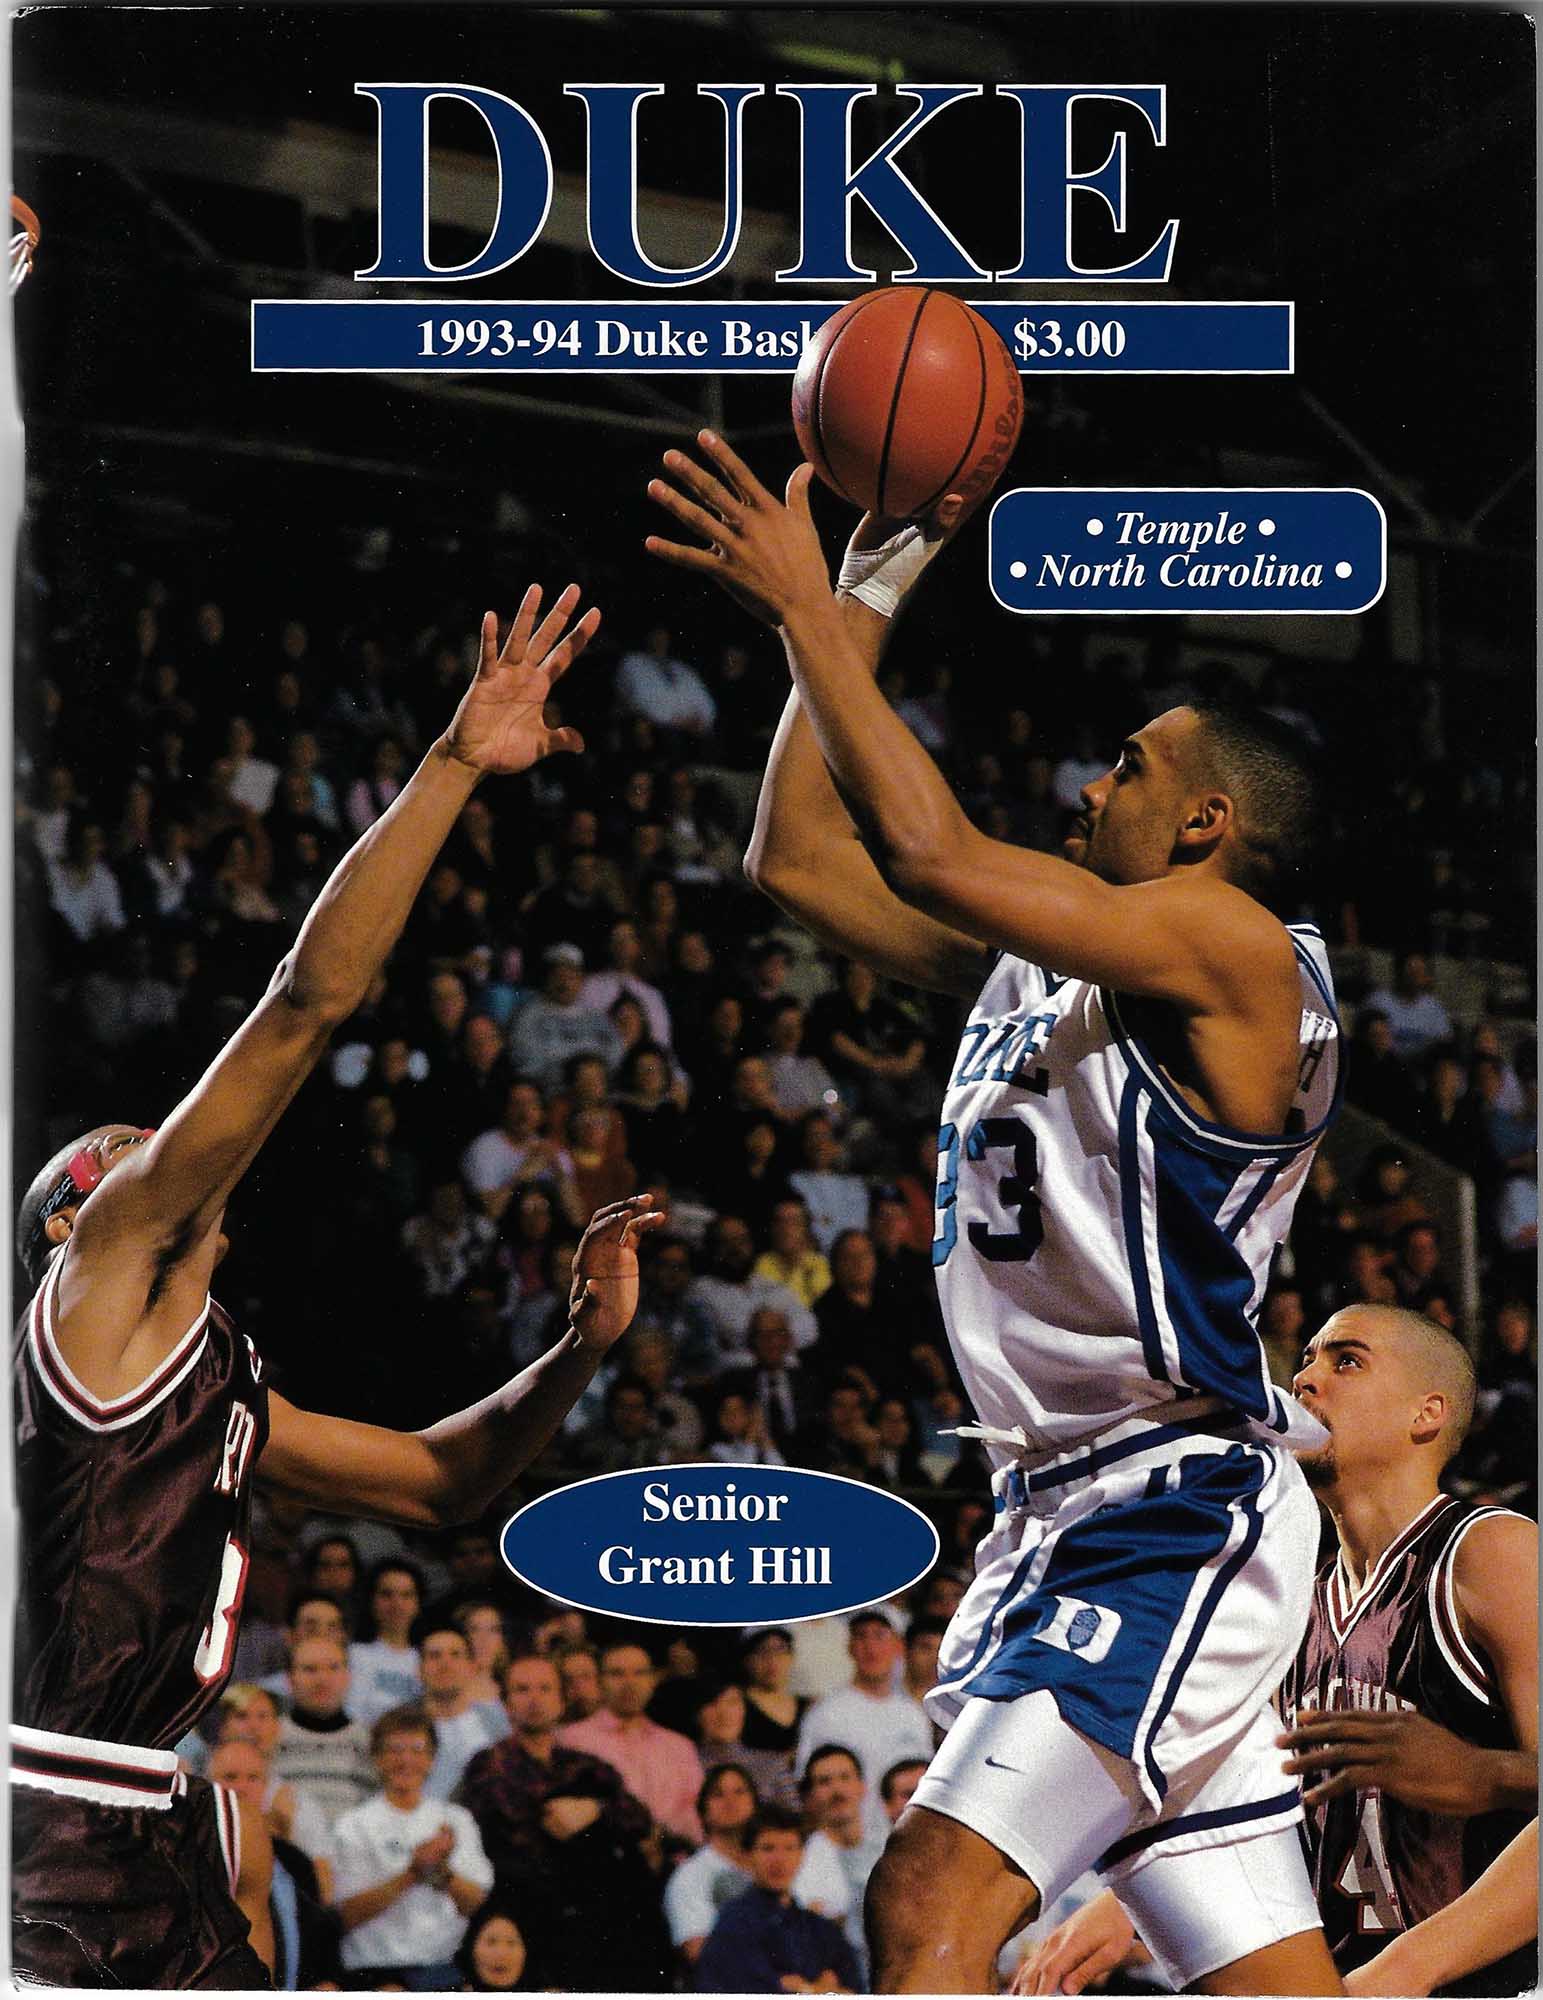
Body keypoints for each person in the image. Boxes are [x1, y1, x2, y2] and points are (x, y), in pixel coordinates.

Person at [649, 436, 1343, 1994]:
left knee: (924, 1903)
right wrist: (871, 578)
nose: (1091, 784)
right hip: (1056, 1507)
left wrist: (802, 610)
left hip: (1170, 1501)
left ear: (1203, 826)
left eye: (1129, 769)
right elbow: (795, 853)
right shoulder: (1043, 963)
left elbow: (929, 846)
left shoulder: (1242, 956)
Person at [11, 588, 668, 1988]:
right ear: (73, 1224)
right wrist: (452, 763)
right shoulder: (97, 1288)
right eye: (123, 1155)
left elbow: (439, 1485)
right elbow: (304, 1002)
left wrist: (574, 1346)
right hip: (47, 1812)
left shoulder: (208, 1376)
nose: (158, 1152)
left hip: (138, 1816)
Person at [1018, 1306, 1538, 2000]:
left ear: (1426, 1413)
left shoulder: (1491, 1551)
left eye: (1346, 1361)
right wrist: (1125, 1906)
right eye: (1307, 1362)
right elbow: (1274, 1816)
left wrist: (1406, 1965)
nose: (1304, 1379)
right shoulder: (1295, 1601)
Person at [457, 1650, 670, 1991]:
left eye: (545, 1689)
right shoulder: (489, 1765)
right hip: (532, 1910)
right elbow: (527, 1825)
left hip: (599, 1909)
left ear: (561, 1700)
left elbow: (638, 1816)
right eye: (522, 1690)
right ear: (506, 1703)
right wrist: (588, 1816)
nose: (534, 1699)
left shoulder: (582, 1764)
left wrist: (594, 1810)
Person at [330, 1705, 495, 1987]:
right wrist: (413, 1873)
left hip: (442, 1968)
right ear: (377, 1757)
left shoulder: (456, 1819)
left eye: (417, 1750)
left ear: (432, 1759)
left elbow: (475, 1904)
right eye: (395, 1750)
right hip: (373, 1970)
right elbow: (346, 1915)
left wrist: (441, 1871)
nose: (406, 1760)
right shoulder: (353, 1825)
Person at [665, 1762, 852, 1968]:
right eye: (718, 1794)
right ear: (703, 1811)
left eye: (740, 1791)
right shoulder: (690, 1876)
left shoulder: (785, 1860)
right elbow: (698, 1952)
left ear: (754, 1802)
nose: (730, 1801)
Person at [695, 1804, 862, 1994]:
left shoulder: (820, 1928)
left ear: (802, 1855)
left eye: (790, 1848)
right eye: (768, 1849)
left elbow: (855, 1989)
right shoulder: (734, 1923)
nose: (779, 1860)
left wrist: (804, 1988)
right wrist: (821, 1989)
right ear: (748, 1856)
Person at [559, 1638, 705, 1846]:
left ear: (652, 1681)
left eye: (640, 1673)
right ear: (599, 1681)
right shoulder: (572, 1740)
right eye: (617, 1673)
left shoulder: (679, 1747)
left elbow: (698, 1814)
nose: (630, 1683)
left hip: (676, 1855)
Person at [795, 1610, 934, 1780]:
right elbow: (807, 1780)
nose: (870, 1647)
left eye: (880, 1635)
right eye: (861, 1636)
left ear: (899, 1646)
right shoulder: (825, 1714)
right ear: (850, 1647)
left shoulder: (914, 1714)